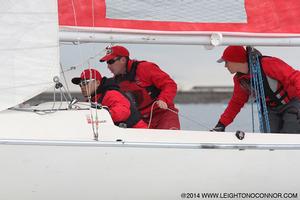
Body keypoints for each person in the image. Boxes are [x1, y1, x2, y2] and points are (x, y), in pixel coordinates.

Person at [212, 45, 300, 133]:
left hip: (291, 105)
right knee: (269, 137)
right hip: (270, 110)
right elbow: (236, 103)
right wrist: (221, 124)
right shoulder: (241, 80)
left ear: (235, 60)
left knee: (290, 131)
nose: (225, 66)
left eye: (226, 62)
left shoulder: (268, 64)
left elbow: (295, 77)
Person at [99, 45, 180, 130]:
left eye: (110, 61)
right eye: (107, 63)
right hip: (142, 119)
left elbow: (169, 84)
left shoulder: (145, 68)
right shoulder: (115, 81)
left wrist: (163, 99)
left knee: (168, 139)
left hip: (163, 114)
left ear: (123, 60)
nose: (108, 66)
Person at [72, 68, 147, 128]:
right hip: (122, 135)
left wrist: (105, 115)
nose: (82, 87)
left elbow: (123, 111)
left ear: (98, 83)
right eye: (80, 84)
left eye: (85, 83)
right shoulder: (93, 99)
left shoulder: (111, 94)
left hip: (138, 134)